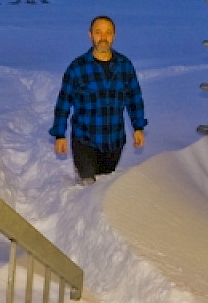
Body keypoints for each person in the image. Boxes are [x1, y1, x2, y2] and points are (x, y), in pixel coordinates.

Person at [51, 15, 146, 185]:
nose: (103, 38)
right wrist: (60, 134)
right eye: (98, 32)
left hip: (114, 142)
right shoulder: (78, 68)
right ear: (90, 35)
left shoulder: (125, 66)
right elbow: (63, 103)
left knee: (103, 186)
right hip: (85, 140)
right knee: (88, 186)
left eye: (108, 33)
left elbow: (134, 97)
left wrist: (138, 127)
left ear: (114, 35)